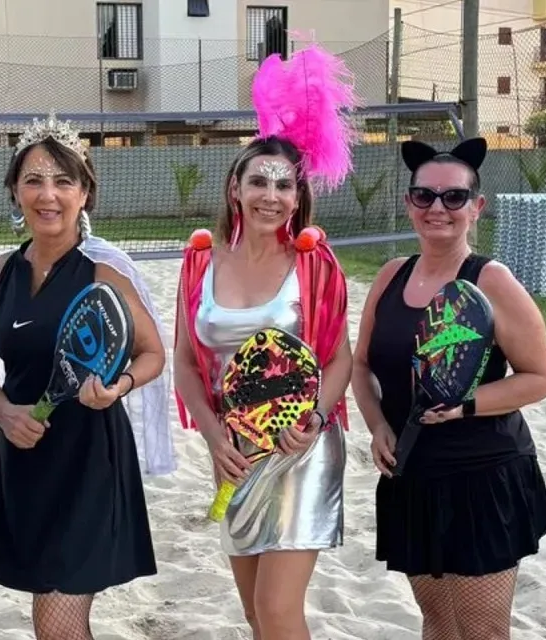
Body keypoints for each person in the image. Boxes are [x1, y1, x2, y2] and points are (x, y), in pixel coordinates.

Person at [0, 112, 175, 640]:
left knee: (55, 620)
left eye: (64, 181)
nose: (47, 194)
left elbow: (152, 354)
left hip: (87, 458)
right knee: (48, 611)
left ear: (85, 193)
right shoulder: (3, 270)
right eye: (33, 180)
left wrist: (119, 387)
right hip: (23, 452)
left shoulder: (103, 269)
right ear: (15, 191)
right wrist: (3, 411)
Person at [173, 44, 357, 640]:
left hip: (300, 445)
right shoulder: (201, 262)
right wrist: (210, 432)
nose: (270, 196)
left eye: (284, 185)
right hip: (232, 447)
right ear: (236, 188)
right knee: (255, 614)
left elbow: (338, 356)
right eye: (259, 181)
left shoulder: (313, 263)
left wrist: (315, 417)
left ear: (297, 196)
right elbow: (182, 361)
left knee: (279, 611)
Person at [351, 137, 546, 640]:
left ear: (476, 207)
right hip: (412, 473)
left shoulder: (492, 280)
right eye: (424, 196)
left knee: (482, 631)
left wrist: (465, 406)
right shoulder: (391, 276)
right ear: (409, 203)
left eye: (453, 197)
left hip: (480, 475)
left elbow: (540, 378)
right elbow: (360, 366)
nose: (437, 208)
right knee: (438, 624)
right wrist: (378, 426)